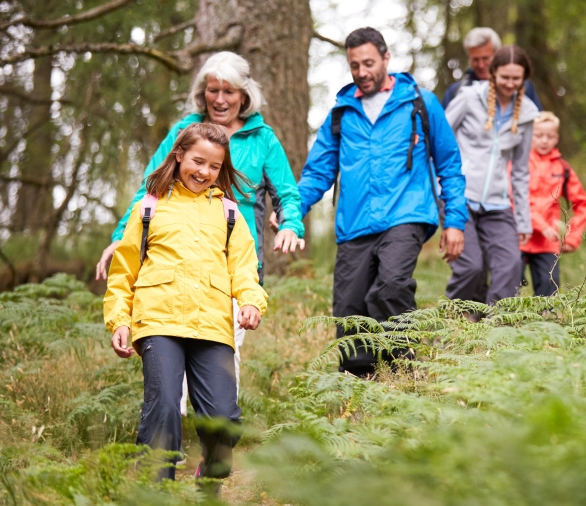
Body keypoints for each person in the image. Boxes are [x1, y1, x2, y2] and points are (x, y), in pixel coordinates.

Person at [94, 51, 304, 412]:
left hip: (232, 268)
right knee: (170, 359)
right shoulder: (183, 133)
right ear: (202, 92)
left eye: (229, 91)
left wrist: (290, 224)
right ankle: (169, 441)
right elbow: (150, 187)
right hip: (173, 264)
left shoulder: (262, 138)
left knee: (223, 354)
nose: (220, 99)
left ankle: (214, 441)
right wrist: (119, 238)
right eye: (213, 90)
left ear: (244, 95)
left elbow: (286, 192)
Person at [104, 123, 267, 492]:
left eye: (213, 166)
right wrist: (119, 320)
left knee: (224, 421)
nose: (203, 172)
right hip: (158, 321)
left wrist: (251, 302)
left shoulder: (229, 213)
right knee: (162, 407)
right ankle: (156, 494)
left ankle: (209, 477)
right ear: (179, 155)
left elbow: (243, 268)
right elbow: (124, 271)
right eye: (197, 161)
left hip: (211, 325)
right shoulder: (149, 206)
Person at [297, 27, 467, 378]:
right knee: (349, 310)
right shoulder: (341, 113)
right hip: (355, 223)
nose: (362, 72)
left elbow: (449, 163)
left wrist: (455, 220)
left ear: (386, 58)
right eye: (354, 65)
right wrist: (291, 211)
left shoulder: (420, 102)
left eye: (369, 63)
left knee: (391, 286)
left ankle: (404, 370)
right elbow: (317, 172)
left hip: (406, 213)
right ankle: (360, 385)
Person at [444, 45, 540, 305]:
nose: (510, 84)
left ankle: (493, 335)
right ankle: (450, 326)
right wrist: (437, 188)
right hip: (460, 197)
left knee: (510, 266)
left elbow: (520, 171)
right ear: (493, 73)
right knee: (471, 268)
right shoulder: (467, 98)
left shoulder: (528, 114)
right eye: (505, 77)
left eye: (516, 79)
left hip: (497, 203)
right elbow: (439, 140)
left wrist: (523, 221)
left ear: (524, 79)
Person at [521, 112, 586, 296]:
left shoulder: (562, 168)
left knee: (548, 294)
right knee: (507, 291)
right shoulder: (519, 162)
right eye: (539, 135)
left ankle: (545, 323)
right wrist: (541, 225)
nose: (544, 140)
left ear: (557, 138)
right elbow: (514, 198)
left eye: (550, 136)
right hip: (518, 237)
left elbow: (583, 204)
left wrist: (572, 237)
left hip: (548, 242)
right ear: (530, 135)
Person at [441, 27, 542, 111]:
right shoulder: (456, 91)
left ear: (497, 55)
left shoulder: (520, 86)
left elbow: (539, 123)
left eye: (486, 59)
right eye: (475, 60)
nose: (481, 65)